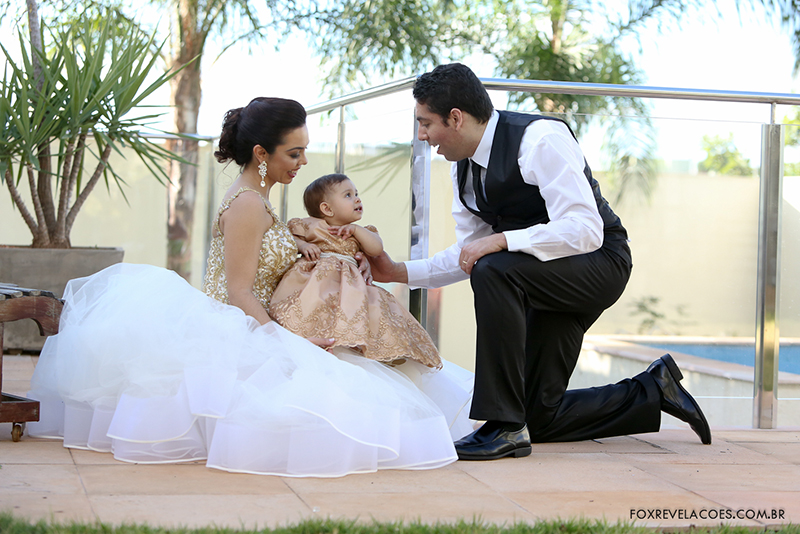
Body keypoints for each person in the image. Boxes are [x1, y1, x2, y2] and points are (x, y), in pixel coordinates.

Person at [26, 97, 472, 477]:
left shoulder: (259, 199)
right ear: (261, 153)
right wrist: (290, 344)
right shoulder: (247, 205)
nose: (303, 163)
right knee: (344, 392)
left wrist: (330, 255)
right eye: (294, 153)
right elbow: (239, 292)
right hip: (241, 325)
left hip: (264, 316)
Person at [368, 63, 712, 461]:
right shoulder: (462, 171)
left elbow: (585, 228)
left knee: (493, 270)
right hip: (541, 278)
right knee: (539, 417)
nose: (422, 136)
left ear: (456, 118)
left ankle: (502, 425)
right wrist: (398, 272)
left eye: (425, 123)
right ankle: (654, 389)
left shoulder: (539, 139)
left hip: (599, 263)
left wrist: (503, 240)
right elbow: (469, 251)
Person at [269, 173, 440, 369]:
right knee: (314, 307)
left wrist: (357, 231)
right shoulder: (309, 225)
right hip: (318, 282)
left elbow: (376, 248)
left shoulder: (362, 231)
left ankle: (378, 348)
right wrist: (303, 245)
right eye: (348, 195)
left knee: (369, 308)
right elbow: (290, 238)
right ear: (327, 208)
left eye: (356, 194)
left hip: (351, 288)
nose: (357, 199)